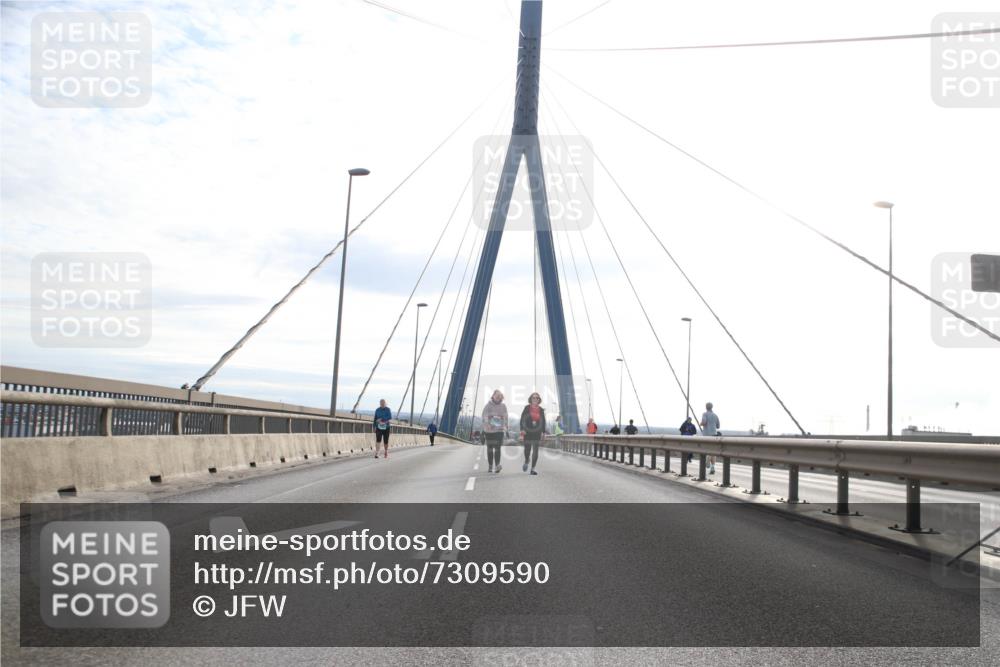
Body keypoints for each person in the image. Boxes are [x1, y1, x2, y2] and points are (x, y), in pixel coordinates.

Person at [519, 392, 546, 475]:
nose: (535, 399)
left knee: (535, 451)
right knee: (527, 450)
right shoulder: (527, 408)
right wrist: (522, 430)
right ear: (530, 399)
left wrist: (543, 432)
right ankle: (527, 460)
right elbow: (522, 419)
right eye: (533, 398)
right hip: (527, 431)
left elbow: (543, 421)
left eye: (537, 398)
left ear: (539, 400)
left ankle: (533, 469)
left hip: (537, 432)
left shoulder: (541, 409)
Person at [482, 390, 508, 473]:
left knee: (497, 448)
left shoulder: (503, 406)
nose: (498, 397)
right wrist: (488, 423)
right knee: (490, 448)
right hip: (489, 431)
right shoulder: (488, 406)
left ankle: (497, 465)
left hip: (499, 430)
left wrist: (505, 426)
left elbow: (505, 417)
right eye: (497, 396)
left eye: (500, 396)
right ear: (493, 396)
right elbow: (484, 416)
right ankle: (490, 466)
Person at [700, 402, 721, 474]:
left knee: (707, 449)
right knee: (713, 452)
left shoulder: (704, 414)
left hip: (706, 435)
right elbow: (718, 426)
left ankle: (707, 459)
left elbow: (704, 422)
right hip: (714, 435)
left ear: (706, 407)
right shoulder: (715, 415)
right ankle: (712, 467)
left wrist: (701, 424)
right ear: (712, 407)